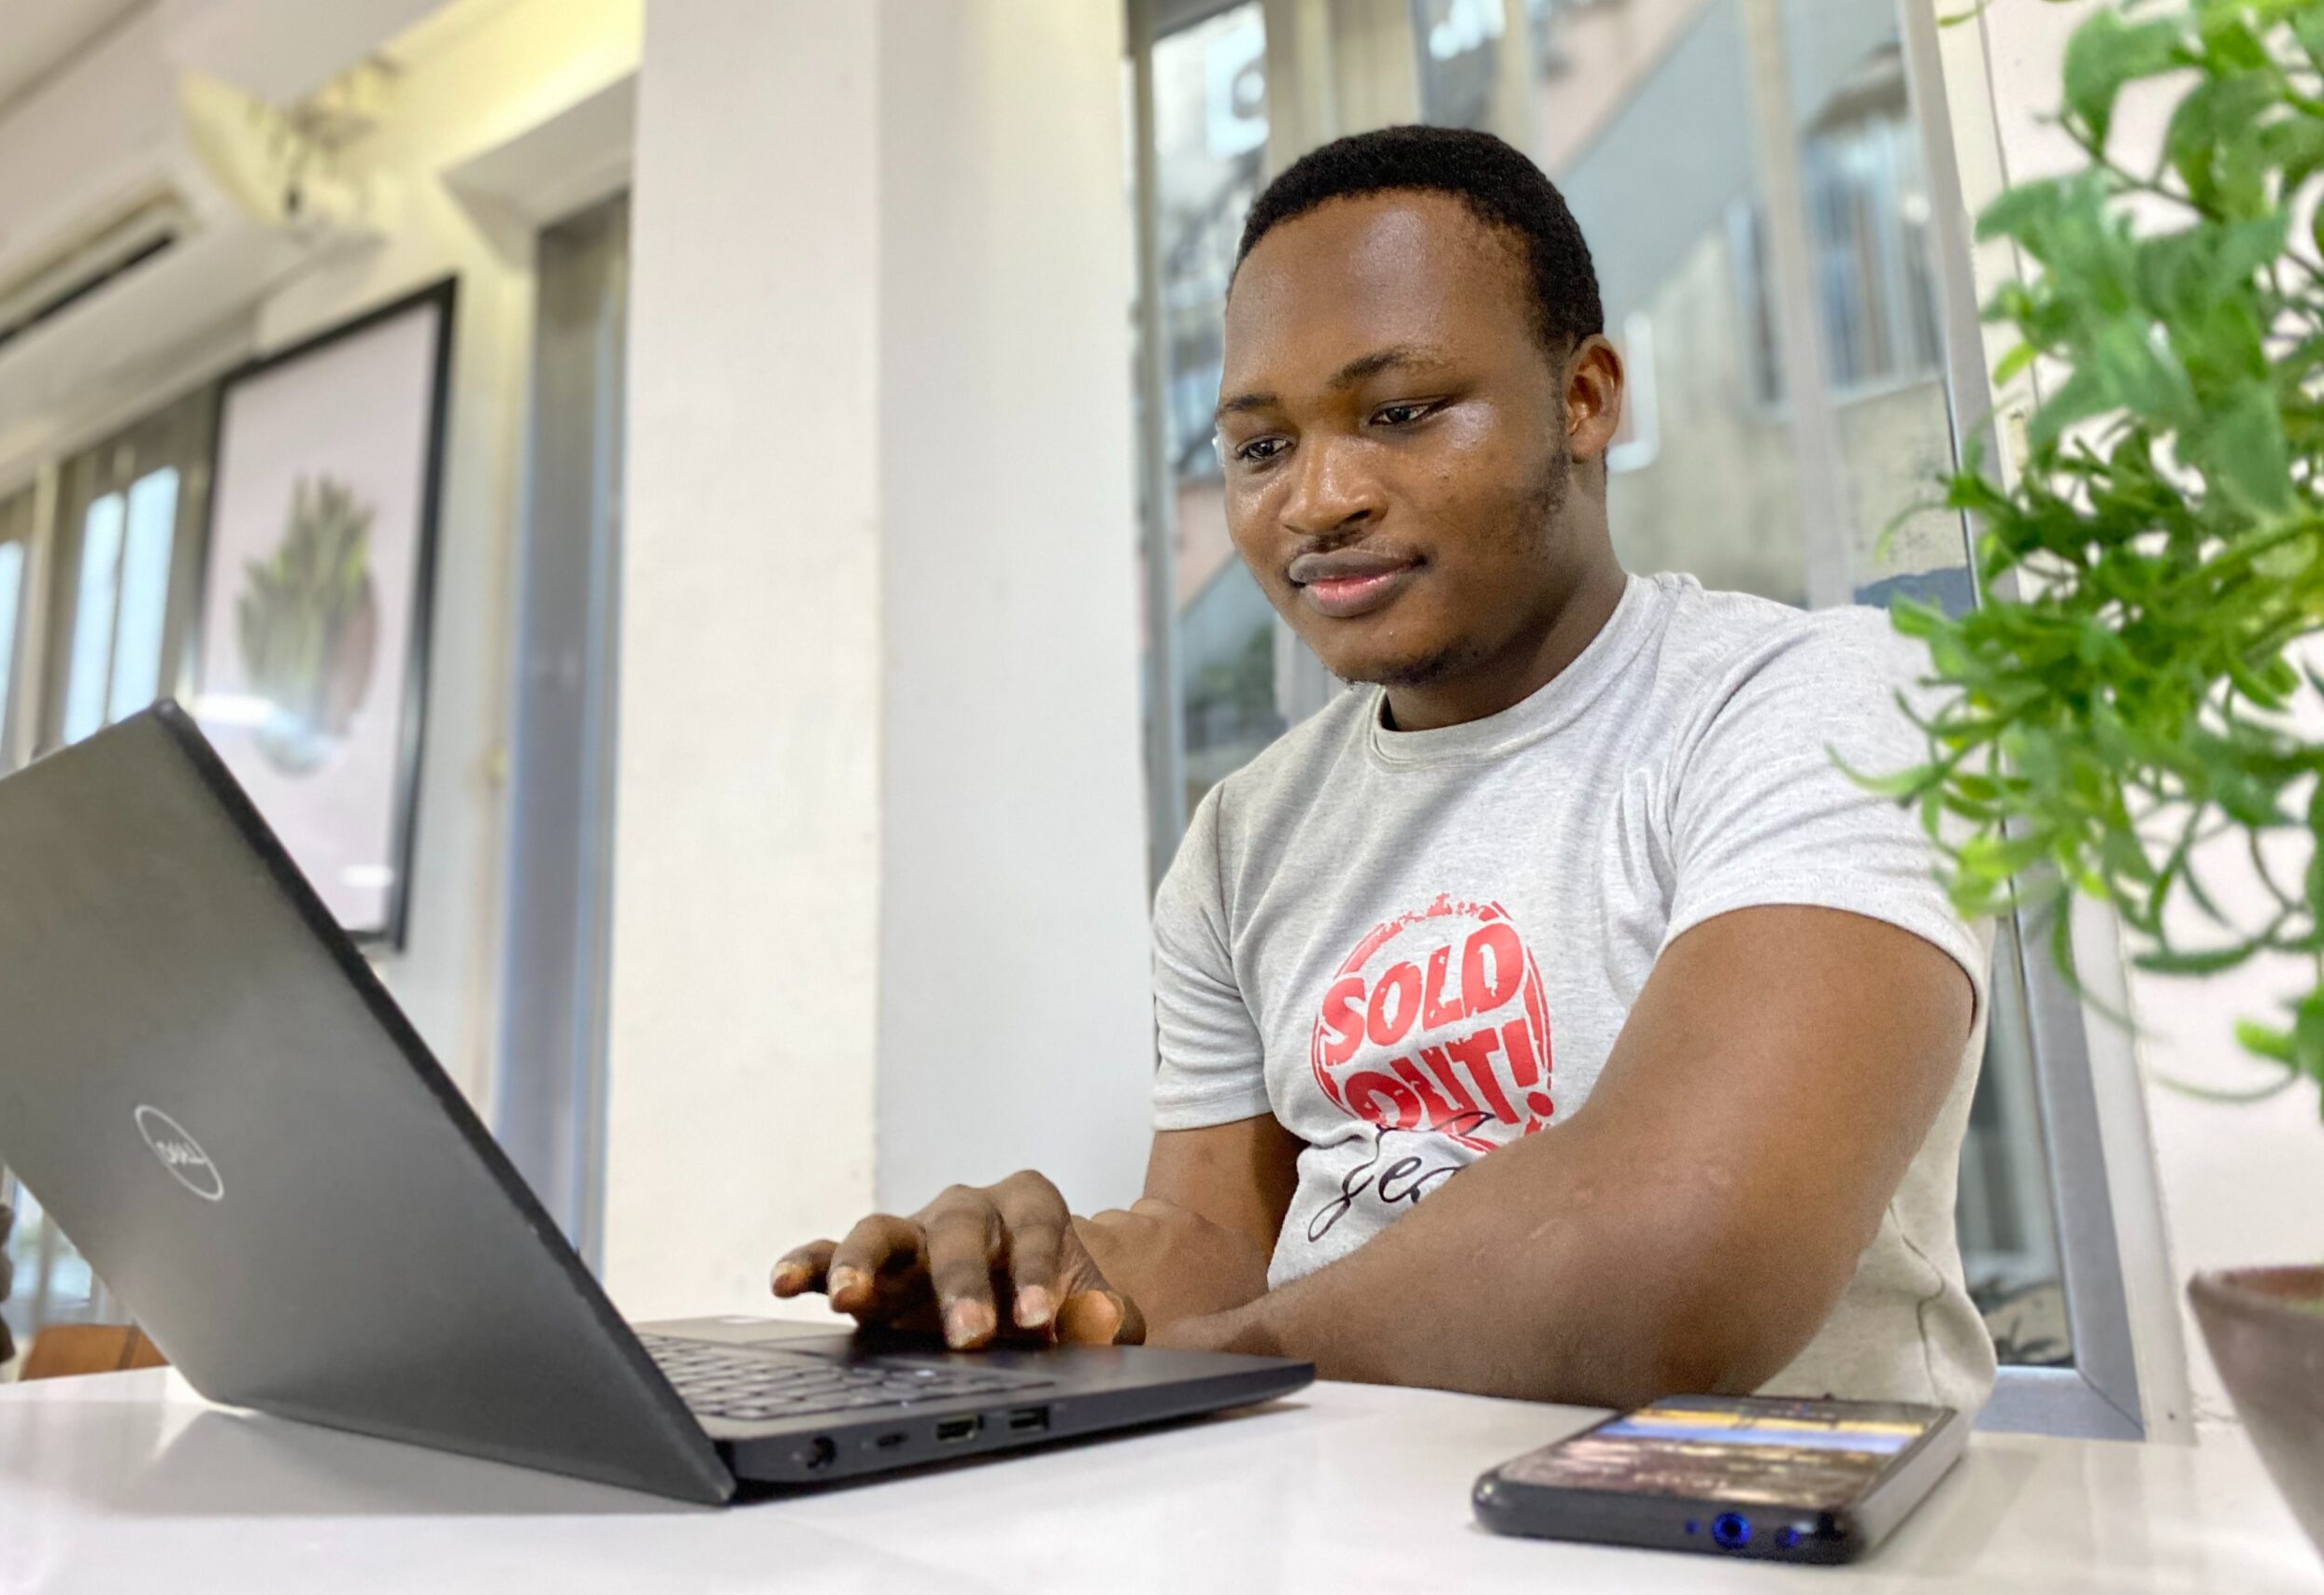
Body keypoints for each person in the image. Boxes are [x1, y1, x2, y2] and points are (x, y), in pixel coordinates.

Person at [772, 125, 1996, 1412]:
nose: (1318, 498)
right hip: (1336, 1518)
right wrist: (1047, 1296)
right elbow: (1216, 1256)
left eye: (1399, 413)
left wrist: (1197, 1364)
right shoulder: (1245, 836)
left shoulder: (1826, 701)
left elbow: (1681, 1258)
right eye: (1260, 446)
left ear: (1584, 400)